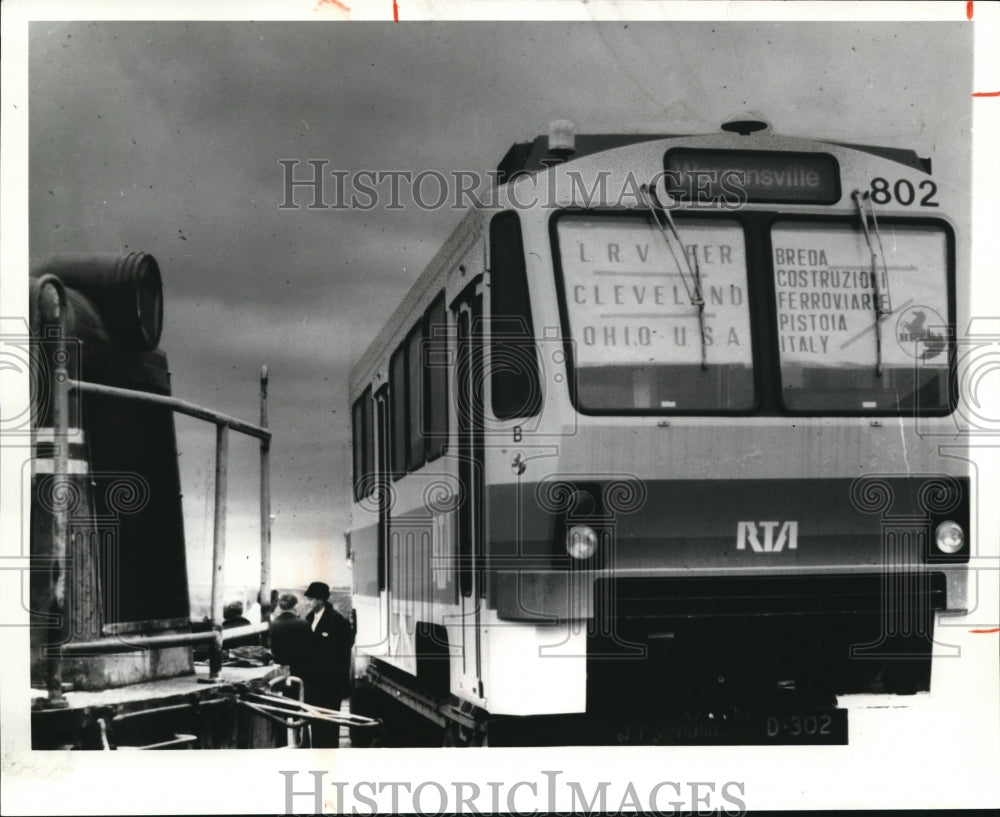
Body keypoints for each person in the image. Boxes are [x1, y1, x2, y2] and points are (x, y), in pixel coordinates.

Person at [302, 581, 355, 747]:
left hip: (330, 686)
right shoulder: (310, 618)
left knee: (329, 726)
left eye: (310, 599)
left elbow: (344, 655)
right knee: (315, 721)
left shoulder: (338, 621)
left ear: (320, 600)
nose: (307, 602)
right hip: (313, 684)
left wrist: (342, 686)